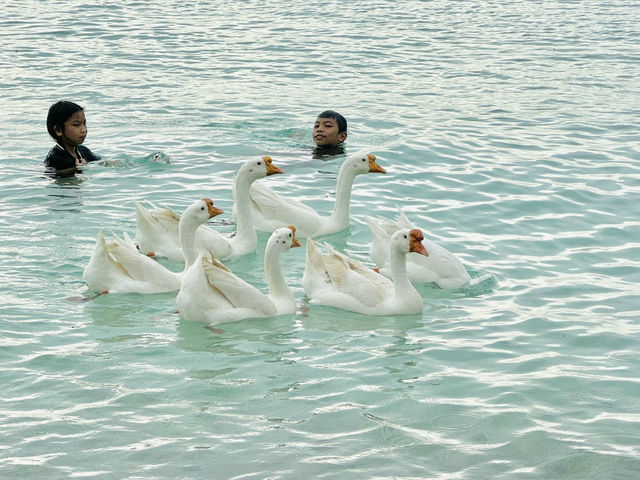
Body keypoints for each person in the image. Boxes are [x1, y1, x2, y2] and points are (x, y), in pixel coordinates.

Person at [44, 101, 100, 177]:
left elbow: (98, 163)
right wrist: (76, 169)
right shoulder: (55, 159)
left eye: (84, 123)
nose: (84, 129)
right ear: (58, 130)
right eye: (76, 125)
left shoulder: (83, 151)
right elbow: (57, 178)